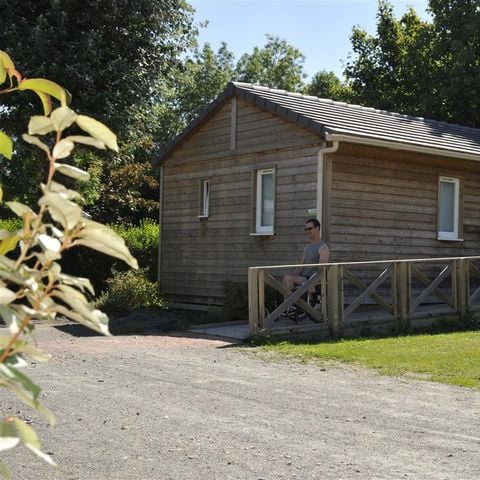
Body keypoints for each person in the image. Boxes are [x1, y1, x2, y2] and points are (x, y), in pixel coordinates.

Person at [282, 218, 330, 294]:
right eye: (306, 229)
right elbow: (301, 266)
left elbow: (322, 270)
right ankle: (292, 301)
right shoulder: (307, 247)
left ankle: (291, 301)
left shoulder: (323, 248)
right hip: (303, 277)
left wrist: (312, 283)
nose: (308, 231)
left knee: (288, 279)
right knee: (286, 278)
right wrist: (293, 275)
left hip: (310, 279)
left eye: (310, 228)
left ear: (317, 228)